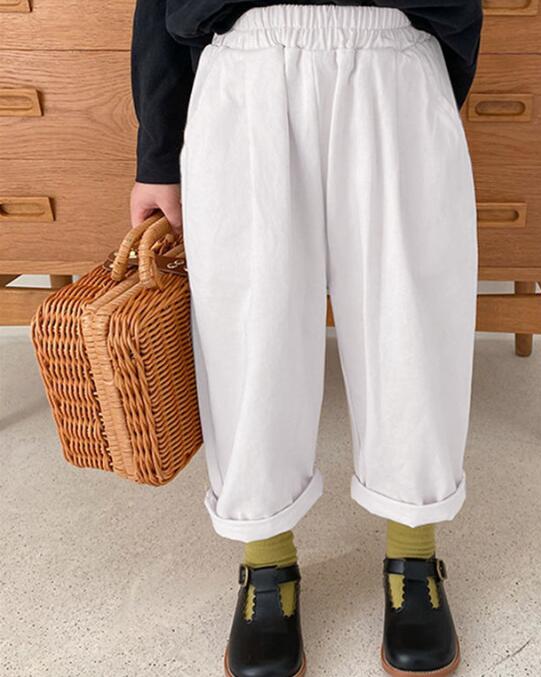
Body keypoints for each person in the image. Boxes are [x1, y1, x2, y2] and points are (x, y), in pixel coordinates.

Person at [130, 2, 483, 675]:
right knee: (249, 337)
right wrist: (157, 154)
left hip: (393, 49)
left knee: (412, 325)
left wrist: (434, 67)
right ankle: (266, 565)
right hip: (245, 60)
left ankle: (414, 555)